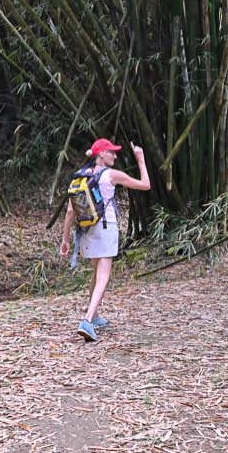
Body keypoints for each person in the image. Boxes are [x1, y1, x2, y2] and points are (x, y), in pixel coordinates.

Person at [47, 139, 152, 341]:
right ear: (101, 154)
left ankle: (94, 316)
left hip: (86, 230)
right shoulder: (111, 175)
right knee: (104, 275)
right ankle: (86, 321)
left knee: (96, 272)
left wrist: (65, 239)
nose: (115, 156)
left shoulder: (80, 177)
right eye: (111, 152)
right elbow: (145, 185)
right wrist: (140, 159)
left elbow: (70, 211)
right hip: (106, 228)